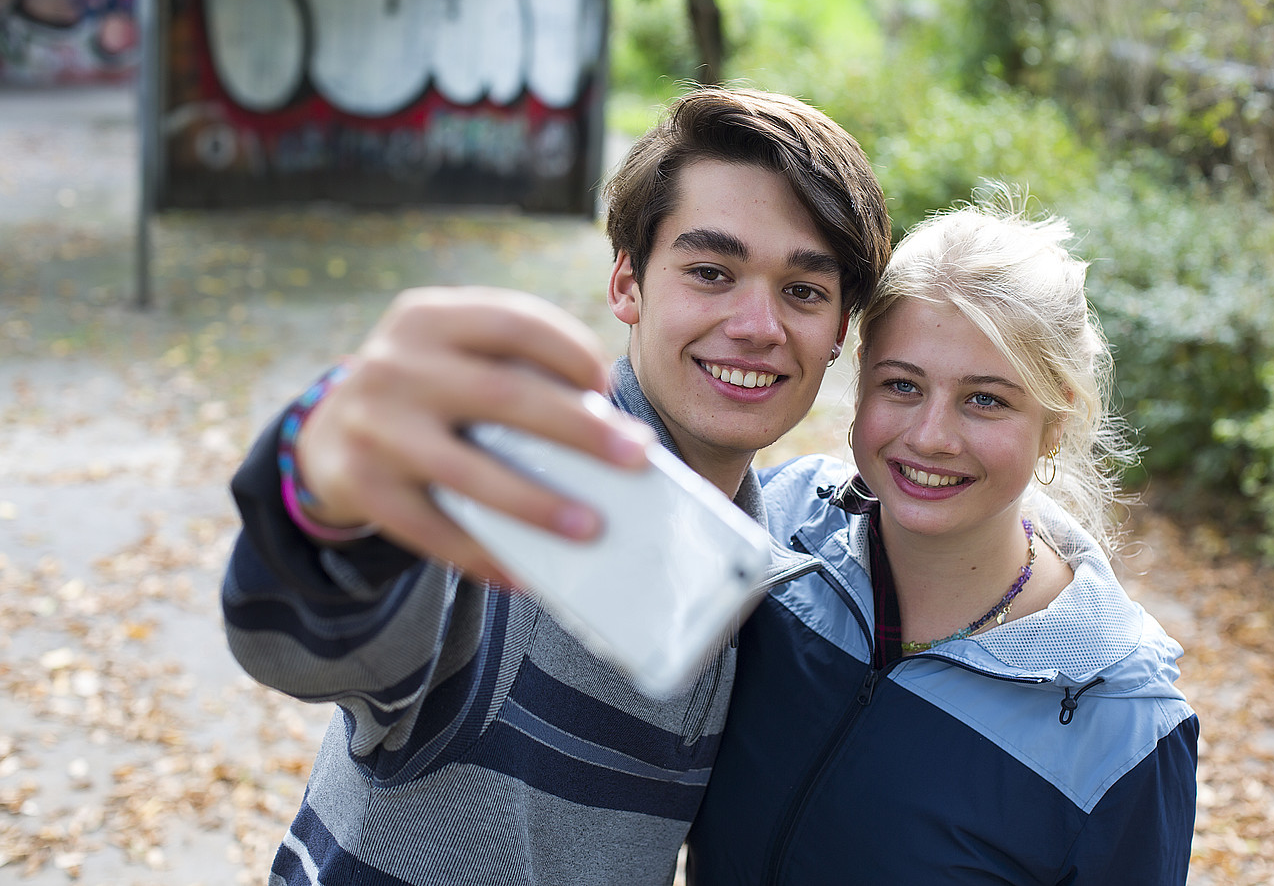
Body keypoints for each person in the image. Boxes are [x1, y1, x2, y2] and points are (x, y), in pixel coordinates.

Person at [221, 86, 891, 886]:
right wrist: (320, 487)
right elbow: (305, 643)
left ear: (840, 330)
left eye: (804, 291)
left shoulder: (765, 544)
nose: (758, 324)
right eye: (711, 271)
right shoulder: (524, 495)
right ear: (627, 284)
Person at [685, 186, 1199, 884]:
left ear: (1056, 420)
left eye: (985, 399)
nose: (930, 437)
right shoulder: (777, 529)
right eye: (902, 385)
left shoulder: (1124, 725)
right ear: (861, 379)